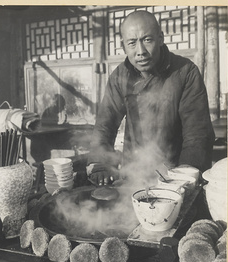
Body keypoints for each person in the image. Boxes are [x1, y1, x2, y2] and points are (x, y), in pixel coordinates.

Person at [87, 10, 215, 186]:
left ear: (160, 38)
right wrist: (100, 163)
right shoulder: (120, 76)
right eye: (132, 43)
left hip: (176, 174)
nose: (141, 52)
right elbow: (105, 125)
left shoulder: (185, 72)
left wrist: (184, 176)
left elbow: (197, 134)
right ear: (123, 46)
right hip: (134, 173)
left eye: (147, 40)